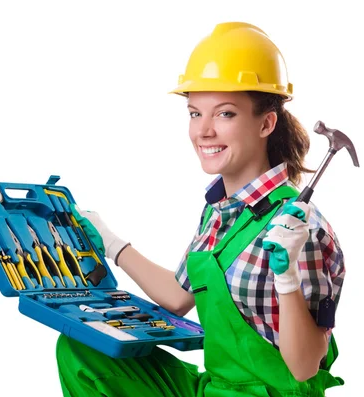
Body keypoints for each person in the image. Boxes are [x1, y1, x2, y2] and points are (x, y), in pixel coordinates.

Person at [56, 21, 346, 396]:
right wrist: (110, 243)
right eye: (195, 113)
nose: (203, 131)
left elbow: (305, 367)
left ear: (266, 123)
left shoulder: (298, 228)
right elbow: (179, 297)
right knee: (84, 352)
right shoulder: (221, 212)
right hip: (217, 389)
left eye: (225, 114)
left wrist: (287, 278)